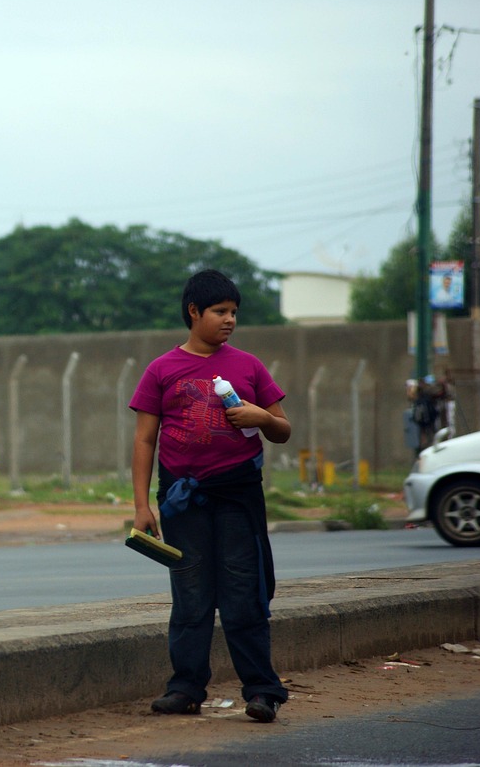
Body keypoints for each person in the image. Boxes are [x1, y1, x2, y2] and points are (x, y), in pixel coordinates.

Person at [129, 269, 292, 723]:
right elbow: (145, 440)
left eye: (234, 312)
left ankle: (262, 691)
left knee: (244, 593)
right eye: (220, 311)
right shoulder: (161, 370)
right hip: (183, 498)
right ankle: (185, 688)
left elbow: (282, 430)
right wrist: (143, 506)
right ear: (193, 312)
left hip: (239, 494)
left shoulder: (249, 366)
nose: (229, 320)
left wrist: (260, 415)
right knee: (191, 595)